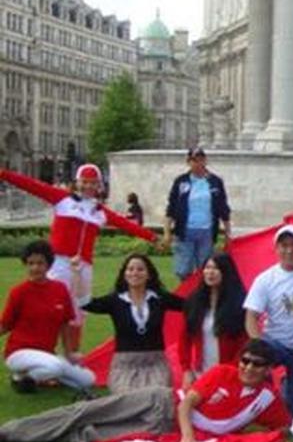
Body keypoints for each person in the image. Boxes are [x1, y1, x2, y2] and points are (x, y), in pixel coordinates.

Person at [0, 339, 289, 442]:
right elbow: (188, 403)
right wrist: (188, 437)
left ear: (268, 370)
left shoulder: (265, 399)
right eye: (245, 361)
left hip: (161, 427)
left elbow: (284, 427)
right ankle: (10, 432)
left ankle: (30, 439)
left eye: (257, 364)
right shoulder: (222, 372)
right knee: (84, 412)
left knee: (92, 435)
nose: (248, 367)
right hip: (161, 400)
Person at [0, 164, 157, 350]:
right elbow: (31, 185)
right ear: (77, 182)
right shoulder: (62, 198)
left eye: (93, 183)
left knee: (79, 311)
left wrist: (152, 237)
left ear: (99, 185)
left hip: (84, 267)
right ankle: (40, 348)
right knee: (51, 306)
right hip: (59, 263)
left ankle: (73, 355)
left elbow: (125, 224)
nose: (89, 186)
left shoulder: (100, 211)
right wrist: (3, 173)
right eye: (85, 182)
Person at [1, 240, 94, 394]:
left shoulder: (60, 289)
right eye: (30, 263)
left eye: (40, 263)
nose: (35, 268)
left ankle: (32, 377)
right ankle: (20, 379)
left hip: (46, 354)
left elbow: (65, 323)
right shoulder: (18, 292)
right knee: (54, 367)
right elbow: (5, 325)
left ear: (49, 265)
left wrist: (69, 353)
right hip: (18, 353)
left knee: (87, 380)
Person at [243, 224, 293, 414]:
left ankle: (287, 386)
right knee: (253, 364)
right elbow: (251, 316)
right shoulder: (265, 279)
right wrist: (257, 345)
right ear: (276, 249)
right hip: (274, 343)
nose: (289, 250)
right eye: (284, 245)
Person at [83, 254, 184, 394]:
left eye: (140, 269)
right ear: (124, 274)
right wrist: (77, 274)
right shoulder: (115, 300)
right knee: (127, 398)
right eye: (130, 269)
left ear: (149, 275)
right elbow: (85, 303)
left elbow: (191, 305)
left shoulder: (160, 298)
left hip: (155, 363)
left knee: (158, 395)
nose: (135, 273)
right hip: (125, 365)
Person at [179, 253, 249, 390]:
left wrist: (229, 372)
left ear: (226, 272)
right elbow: (184, 339)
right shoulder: (194, 302)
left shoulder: (239, 305)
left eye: (216, 268)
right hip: (201, 375)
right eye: (207, 267)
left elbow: (244, 344)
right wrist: (186, 369)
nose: (210, 272)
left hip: (230, 374)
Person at [164, 147, 232, 280]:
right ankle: (185, 295)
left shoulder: (215, 182)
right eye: (194, 160)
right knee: (183, 269)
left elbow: (223, 208)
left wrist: (228, 232)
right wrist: (167, 232)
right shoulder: (181, 181)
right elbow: (171, 207)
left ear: (205, 161)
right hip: (184, 230)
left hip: (206, 231)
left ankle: (201, 296)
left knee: (204, 268)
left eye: (201, 160)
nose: (198, 164)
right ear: (188, 162)